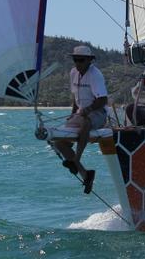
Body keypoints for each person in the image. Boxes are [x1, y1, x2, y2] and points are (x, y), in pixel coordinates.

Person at [54, 45, 108, 194]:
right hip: (81, 112)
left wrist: (88, 110)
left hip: (98, 112)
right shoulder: (73, 73)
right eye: (75, 60)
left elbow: (103, 99)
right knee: (58, 141)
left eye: (81, 60)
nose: (78, 63)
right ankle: (85, 173)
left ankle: (76, 159)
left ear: (89, 61)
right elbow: (75, 97)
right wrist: (73, 113)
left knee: (86, 122)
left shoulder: (95, 74)